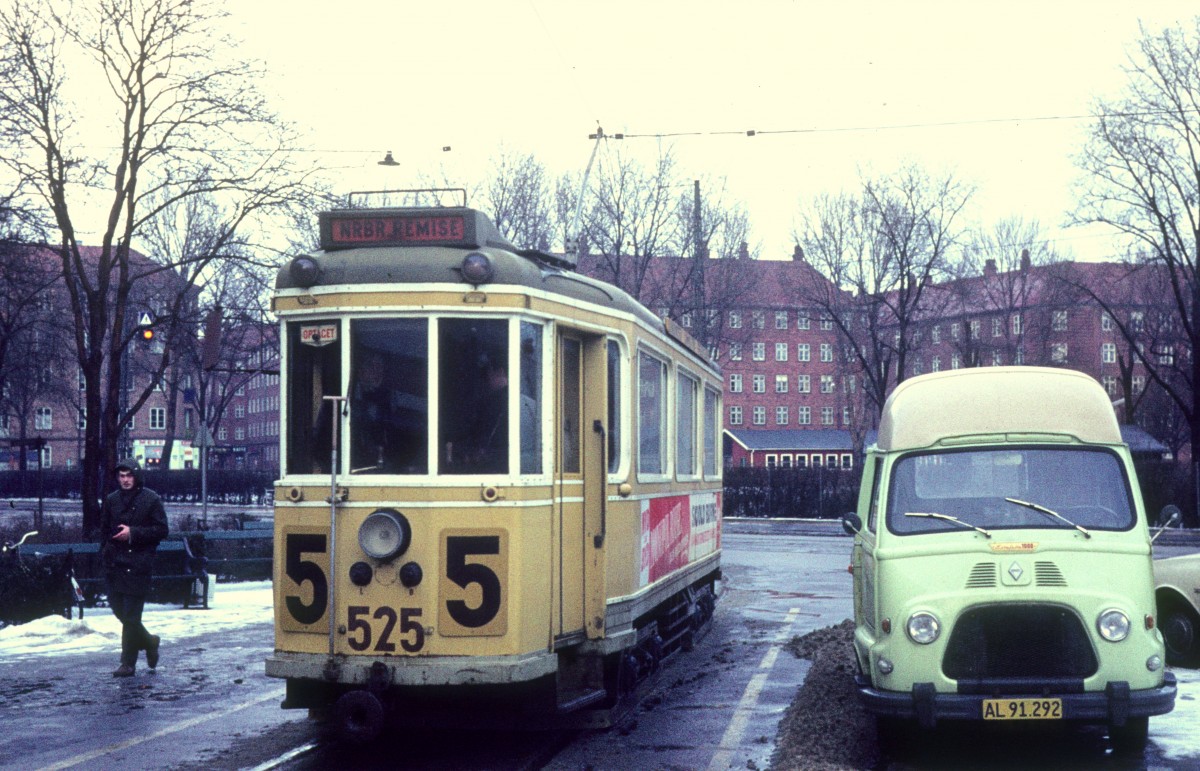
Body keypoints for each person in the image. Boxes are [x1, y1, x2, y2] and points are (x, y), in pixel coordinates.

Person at [100, 459, 169, 677]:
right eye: (121, 476)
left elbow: (161, 529)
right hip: (116, 565)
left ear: (136, 476)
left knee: (131, 616)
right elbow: (104, 531)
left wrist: (134, 533)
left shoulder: (151, 499)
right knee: (120, 611)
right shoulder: (111, 500)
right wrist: (106, 553)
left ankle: (127, 663)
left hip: (138, 565)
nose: (125, 480)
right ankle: (149, 642)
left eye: (129, 475)